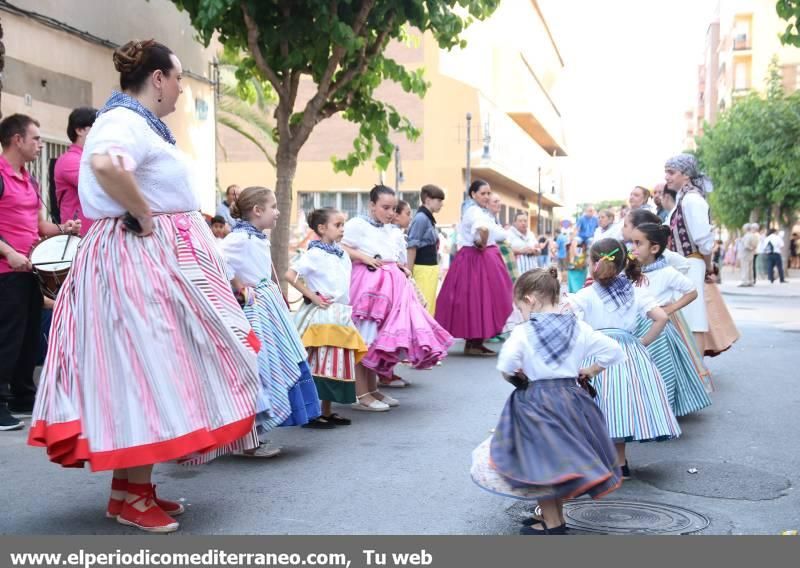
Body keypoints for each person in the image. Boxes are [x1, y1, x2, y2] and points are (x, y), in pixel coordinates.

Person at [28, 40, 262, 533]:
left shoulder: (133, 122)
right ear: (158, 79)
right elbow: (108, 166)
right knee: (148, 370)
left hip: (144, 259)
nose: (180, 88)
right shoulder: (123, 122)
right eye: (177, 78)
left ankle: (130, 491)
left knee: (150, 371)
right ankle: (132, 497)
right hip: (136, 260)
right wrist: (141, 213)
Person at [470, 268, 625, 535]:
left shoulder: (523, 332)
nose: (520, 313)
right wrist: (590, 370)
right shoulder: (579, 326)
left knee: (541, 467)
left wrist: (518, 377)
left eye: (519, 307)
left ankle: (554, 524)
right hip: (572, 400)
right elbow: (614, 351)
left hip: (536, 402)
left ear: (529, 299)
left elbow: (506, 364)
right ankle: (553, 519)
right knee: (559, 465)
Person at [568, 238, 680, 479]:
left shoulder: (586, 295)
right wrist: (642, 343)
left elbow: (570, 323)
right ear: (622, 263)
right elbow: (662, 318)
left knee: (597, 409)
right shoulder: (635, 292)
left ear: (592, 263)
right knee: (620, 409)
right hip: (629, 354)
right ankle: (620, 464)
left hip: (597, 353)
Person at [222, 185, 322, 444]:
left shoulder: (253, 237)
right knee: (261, 368)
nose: (277, 213)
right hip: (256, 309)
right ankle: (249, 438)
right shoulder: (240, 238)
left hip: (268, 306)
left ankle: (253, 436)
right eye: (273, 207)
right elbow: (219, 261)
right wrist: (239, 285)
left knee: (273, 363)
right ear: (257, 210)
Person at [0, 114, 82, 431]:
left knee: (28, 335)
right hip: (7, 269)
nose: (40, 144)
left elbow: (38, 226)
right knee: (7, 337)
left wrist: (63, 228)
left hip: (30, 267)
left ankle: (23, 395)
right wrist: (9, 252)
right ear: (17, 139)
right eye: (35, 138)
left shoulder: (29, 178)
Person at [343, 185, 453, 410]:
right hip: (369, 285)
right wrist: (365, 257)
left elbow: (395, 255)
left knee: (379, 339)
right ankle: (361, 394)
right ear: (372, 205)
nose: (390, 212)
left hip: (393, 286)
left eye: (393, 208)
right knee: (366, 337)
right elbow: (342, 246)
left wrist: (403, 269)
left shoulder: (391, 230)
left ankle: (373, 390)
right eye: (385, 207)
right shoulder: (358, 225)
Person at [287, 208, 367, 428]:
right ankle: (313, 413)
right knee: (320, 364)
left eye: (343, 225)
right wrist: (313, 296)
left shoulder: (339, 253)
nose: (342, 229)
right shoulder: (314, 254)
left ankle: (327, 410)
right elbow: (290, 275)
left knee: (335, 364)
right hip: (324, 315)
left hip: (339, 314)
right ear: (322, 228)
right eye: (338, 225)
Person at [630, 223, 711, 416]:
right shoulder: (635, 271)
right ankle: (644, 406)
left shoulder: (667, 272)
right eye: (632, 243)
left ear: (654, 248)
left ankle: (665, 409)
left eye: (638, 243)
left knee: (662, 369)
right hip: (636, 327)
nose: (633, 248)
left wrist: (670, 308)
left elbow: (691, 291)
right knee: (641, 370)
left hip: (659, 330)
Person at [435, 180, 512, 356]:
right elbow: (481, 228)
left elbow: (496, 232)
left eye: (488, 193)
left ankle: (474, 342)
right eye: (483, 193)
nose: (486, 196)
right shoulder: (474, 211)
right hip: (476, 259)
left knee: (478, 300)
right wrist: (482, 240)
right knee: (480, 299)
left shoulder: (481, 212)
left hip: (477, 258)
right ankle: (474, 342)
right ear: (473, 194)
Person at [664, 154, 714, 356]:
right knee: (687, 318)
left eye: (671, 172)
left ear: (685, 175)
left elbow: (704, 240)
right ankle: (694, 372)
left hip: (691, 263)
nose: (667, 177)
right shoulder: (684, 198)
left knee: (694, 319)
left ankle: (699, 375)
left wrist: (708, 266)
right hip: (685, 265)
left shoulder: (692, 199)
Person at [54, 107, 97, 236]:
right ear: (79, 130)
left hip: (92, 238)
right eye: (96, 127)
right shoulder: (70, 160)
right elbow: (99, 186)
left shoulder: (90, 158)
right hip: (78, 240)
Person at [407, 185, 444, 314]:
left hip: (429, 268)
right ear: (428, 200)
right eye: (439, 200)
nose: (441, 204)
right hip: (422, 269)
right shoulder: (421, 218)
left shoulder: (427, 218)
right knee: (423, 307)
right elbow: (412, 246)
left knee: (429, 306)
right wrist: (409, 272)